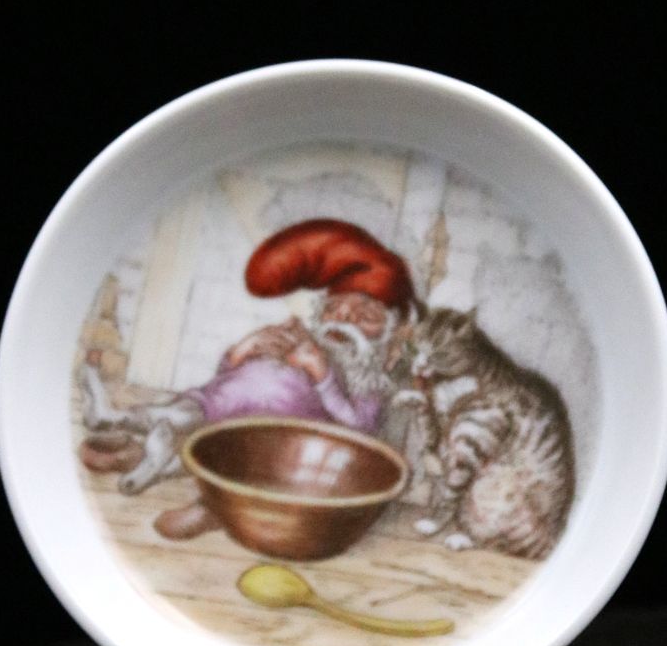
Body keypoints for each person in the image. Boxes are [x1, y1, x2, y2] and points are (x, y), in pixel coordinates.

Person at [80, 219, 419, 539]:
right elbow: (226, 380)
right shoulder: (304, 342)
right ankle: (126, 434)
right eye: (334, 310)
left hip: (273, 447)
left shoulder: (367, 378)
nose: (342, 323)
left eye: (365, 317)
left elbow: (360, 432)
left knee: (234, 458)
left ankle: (208, 506)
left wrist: (322, 374)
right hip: (214, 410)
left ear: (391, 335)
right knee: (181, 416)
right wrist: (241, 352)